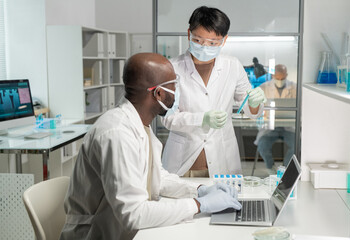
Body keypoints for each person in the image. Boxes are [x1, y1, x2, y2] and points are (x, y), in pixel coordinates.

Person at [60, 53, 241, 240]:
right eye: (174, 85)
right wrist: (199, 205)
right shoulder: (117, 133)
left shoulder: (138, 124)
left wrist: (199, 190)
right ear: (159, 93)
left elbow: (156, 177)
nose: (177, 90)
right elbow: (133, 214)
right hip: (98, 234)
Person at [161, 6, 266, 177]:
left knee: (225, 202)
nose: (204, 47)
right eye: (198, 40)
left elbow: (251, 111)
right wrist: (202, 119)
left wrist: (255, 103)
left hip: (222, 160)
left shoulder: (232, 66)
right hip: (183, 164)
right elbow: (167, 117)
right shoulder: (171, 68)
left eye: (212, 43)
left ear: (224, 41)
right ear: (189, 34)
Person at [255, 64, 297, 174]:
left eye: (282, 78)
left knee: (296, 145)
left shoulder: (295, 87)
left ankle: (284, 170)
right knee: (262, 145)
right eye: (277, 78)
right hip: (270, 126)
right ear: (273, 75)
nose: (280, 80)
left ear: (286, 75)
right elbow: (256, 107)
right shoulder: (263, 87)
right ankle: (271, 168)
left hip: (288, 126)